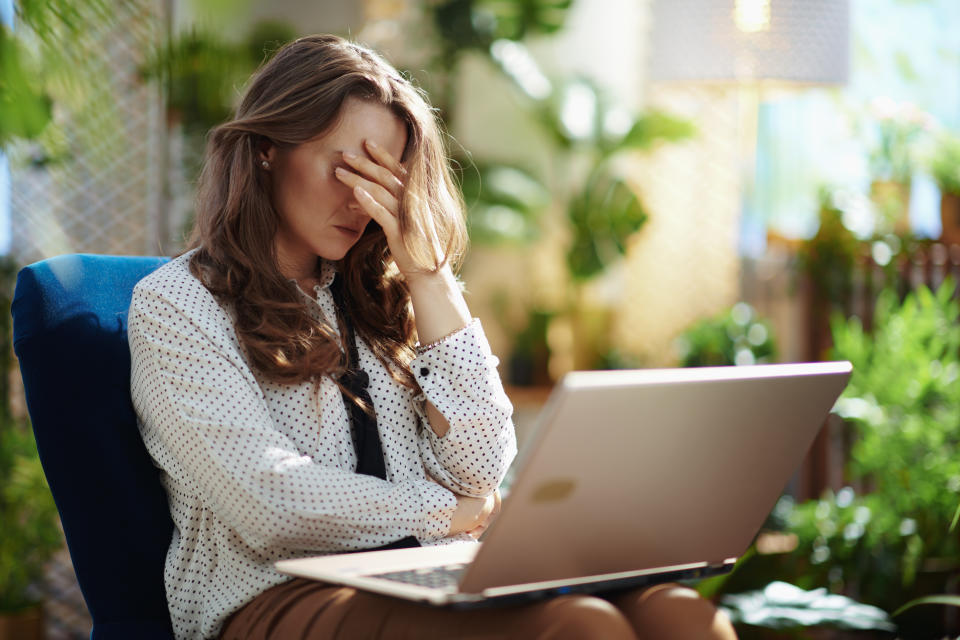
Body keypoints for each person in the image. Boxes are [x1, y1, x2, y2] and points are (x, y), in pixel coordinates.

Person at [129, 34, 738, 640]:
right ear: (267, 150)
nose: (362, 201)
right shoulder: (179, 305)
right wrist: (443, 513)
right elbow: (271, 505)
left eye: (384, 178)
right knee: (579, 628)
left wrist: (430, 276)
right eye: (345, 166)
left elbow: (479, 472)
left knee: (680, 614)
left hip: (416, 570)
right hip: (273, 597)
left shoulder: (385, 295)